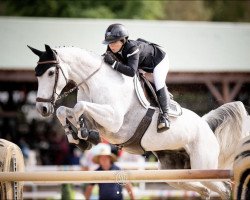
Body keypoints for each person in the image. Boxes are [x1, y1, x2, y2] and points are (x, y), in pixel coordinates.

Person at [102, 23, 171, 132]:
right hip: (141, 63)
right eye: (109, 42)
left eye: (114, 42)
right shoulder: (111, 47)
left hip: (158, 60)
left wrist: (114, 63)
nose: (111, 46)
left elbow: (131, 72)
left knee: (159, 83)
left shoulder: (132, 48)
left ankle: (165, 117)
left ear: (123, 40)